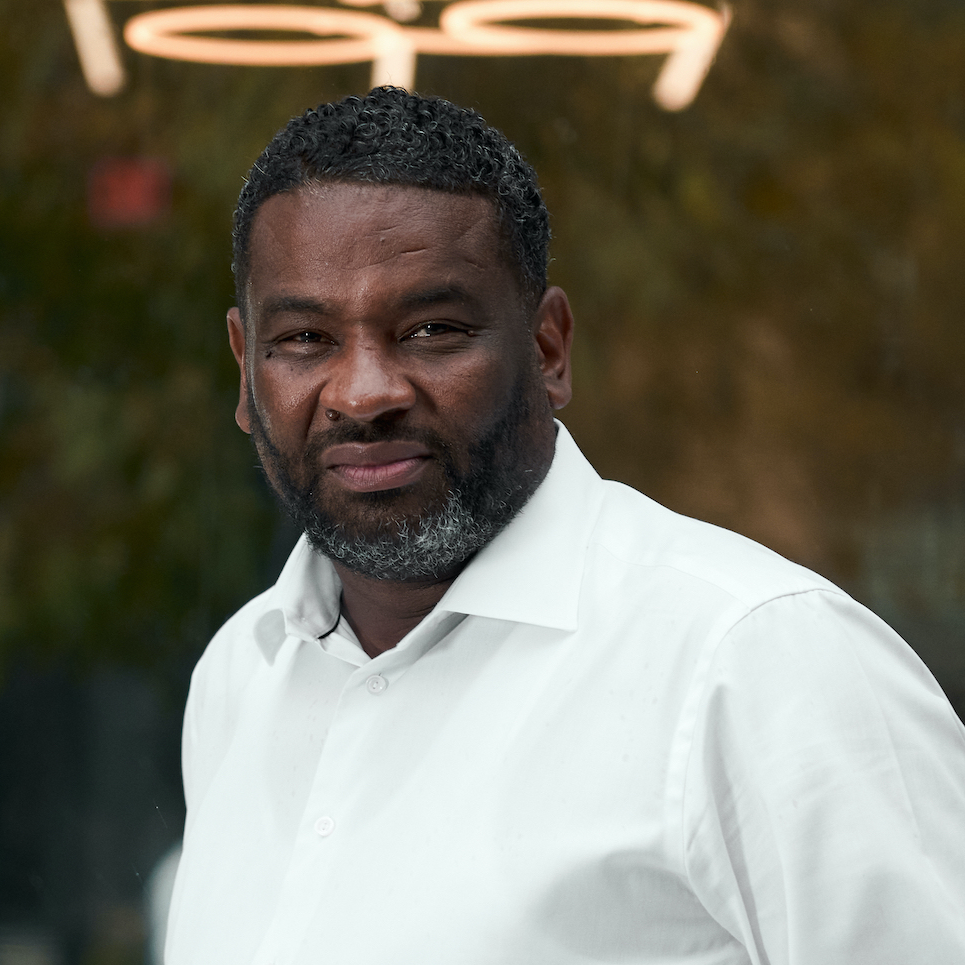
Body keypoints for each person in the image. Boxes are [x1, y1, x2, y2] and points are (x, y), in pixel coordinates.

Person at [164, 87, 965, 965]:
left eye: (433, 330)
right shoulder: (242, 676)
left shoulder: (755, 662)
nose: (364, 393)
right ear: (246, 369)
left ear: (548, 349)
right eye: (306, 339)